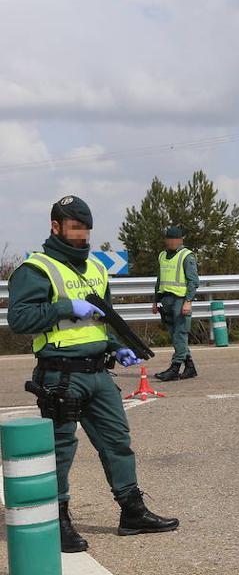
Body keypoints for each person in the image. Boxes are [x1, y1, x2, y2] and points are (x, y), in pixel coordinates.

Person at [7, 196, 179, 552]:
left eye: (86, 229)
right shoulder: (36, 269)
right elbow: (20, 319)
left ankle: (132, 513)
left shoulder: (97, 268)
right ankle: (58, 521)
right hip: (60, 376)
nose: (82, 235)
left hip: (99, 373)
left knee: (117, 443)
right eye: (75, 228)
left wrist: (117, 346)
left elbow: (105, 319)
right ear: (55, 227)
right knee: (60, 451)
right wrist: (66, 306)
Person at [151, 226, 199, 381]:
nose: (171, 242)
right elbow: (160, 280)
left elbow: (193, 281)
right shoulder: (162, 256)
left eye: (174, 239)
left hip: (181, 300)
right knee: (175, 336)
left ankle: (175, 368)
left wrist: (188, 302)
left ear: (180, 240)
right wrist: (155, 301)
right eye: (168, 239)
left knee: (180, 334)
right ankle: (190, 367)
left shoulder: (187, 256)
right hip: (166, 300)